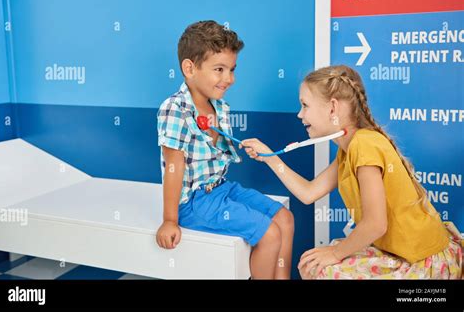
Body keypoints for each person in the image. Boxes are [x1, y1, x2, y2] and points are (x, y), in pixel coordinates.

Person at [241, 65, 462, 279]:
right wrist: (270, 158)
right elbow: (308, 193)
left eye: (305, 105)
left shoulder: (363, 145)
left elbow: (376, 224)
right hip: (401, 253)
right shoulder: (349, 149)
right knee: (313, 264)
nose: (300, 114)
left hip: (423, 261)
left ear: (332, 108)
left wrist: (335, 254)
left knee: (324, 269)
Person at [156, 20, 294, 279]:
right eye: (219, 69)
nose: (229, 79)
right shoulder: (175, 109)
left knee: (285, 219)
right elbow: (174, 168)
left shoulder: (220, 108)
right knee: (270, 233)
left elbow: (217, 153)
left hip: (221, 188)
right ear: (189, 68)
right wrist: (170, 220)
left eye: (231, 69)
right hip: (194, 202)